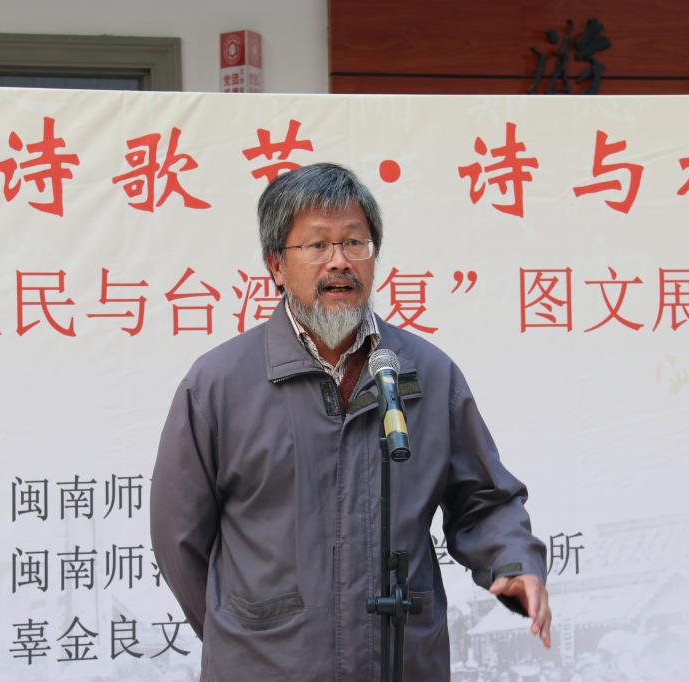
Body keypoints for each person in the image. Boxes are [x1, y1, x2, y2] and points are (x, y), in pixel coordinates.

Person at [150, 163, 551, 681]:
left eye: (355, 243)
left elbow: (484, 500)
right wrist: (243, 635)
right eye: (318, 245)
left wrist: (512, 563)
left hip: (400, 662)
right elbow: (179, 536)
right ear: (276, 264)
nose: (340, 261)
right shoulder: (219, 384)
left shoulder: (426, 372)